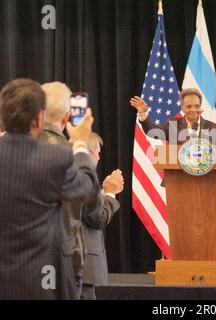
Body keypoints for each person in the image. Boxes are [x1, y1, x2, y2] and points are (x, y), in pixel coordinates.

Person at [0, 78, 100, 299]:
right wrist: (81, 145)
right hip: (42, 283)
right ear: (38, 119)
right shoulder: (56, 158)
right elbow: (88, 191)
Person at [40, 81, 92, 299]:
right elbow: (93, 207)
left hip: (23, 259)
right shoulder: (72, 154)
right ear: (66, 117)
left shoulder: (14, 148)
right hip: (65, 255)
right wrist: (80, 144)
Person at [80, 133, 124, 300]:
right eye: (96, 152)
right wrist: (111, 194)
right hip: (83, 266)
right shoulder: (84, 178)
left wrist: (103, 193)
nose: (99, 157)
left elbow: (85, 209)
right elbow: (98, 218)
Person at [130, 88, 216, 145]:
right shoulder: (173, 125)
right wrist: (143, 112)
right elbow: (151, 131)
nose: (193, 110)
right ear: (182, 108)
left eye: (197, 106)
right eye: (189, 106)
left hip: (206, 177)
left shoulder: (213, 128)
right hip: (177, 176)